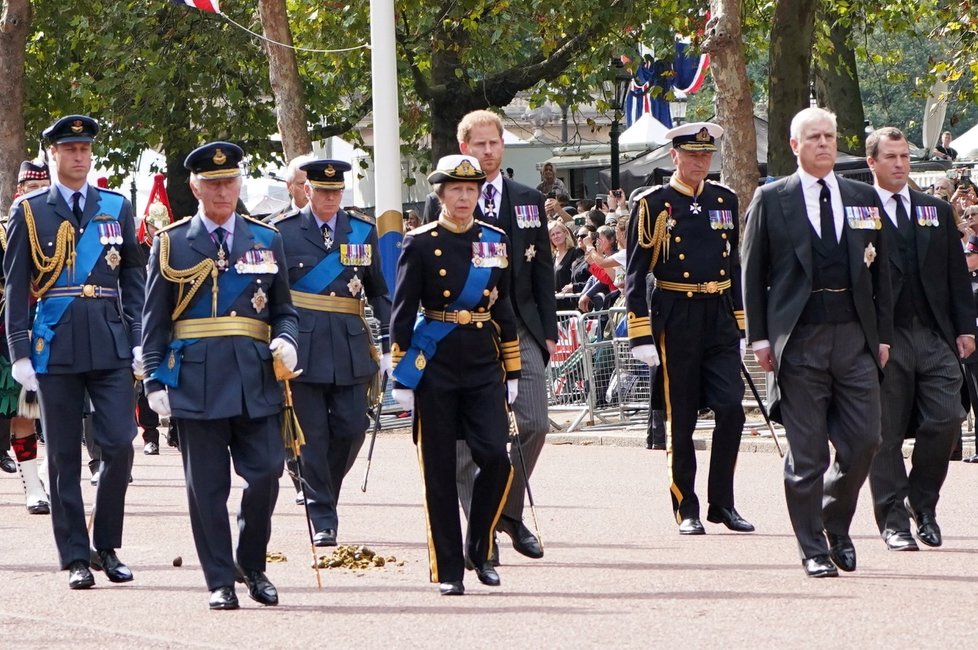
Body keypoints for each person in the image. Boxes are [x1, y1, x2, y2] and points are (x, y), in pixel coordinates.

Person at [141, 141, 299, 610]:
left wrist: (288, 338)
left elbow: (284, 309)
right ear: (195, 187)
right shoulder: (171, 242)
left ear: (240, 184)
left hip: (254, 379)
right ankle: (219, 580)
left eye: (229, 181)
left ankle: (251, 563)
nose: (222, 191)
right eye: (212, 183)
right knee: (206, 488)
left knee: (268, 472)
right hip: (196, 380)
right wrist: (152, 379)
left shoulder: (266, 239)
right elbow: (155, 318)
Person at [742, 107, 893, 578]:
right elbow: (752, 274)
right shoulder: (771, 199)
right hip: (799, 339)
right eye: (814, 138)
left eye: (829, 135)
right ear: (794, 145)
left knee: (866, 440)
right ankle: (811, 547)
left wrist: (883, 336)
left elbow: (883, 274)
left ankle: (835, 523)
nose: (824, 144)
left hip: (854, 336)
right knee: (807, 455)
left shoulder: (863, 196)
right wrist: (760, 338)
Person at [3, 115, 145, 589]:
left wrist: (139, 336)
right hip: (55, 343)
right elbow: (17, 284)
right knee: (63, 455)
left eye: (85, 149)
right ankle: (75, 557)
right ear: (53, 154)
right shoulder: (29, 211)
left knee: (120, 445)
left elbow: (132, 277)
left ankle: (106, 544)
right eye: (69, 149)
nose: (79, 157)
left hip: (108, 342)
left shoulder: (115, 206)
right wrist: (19, 351)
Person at [423, 110, 556, 563]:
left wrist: (550, 332)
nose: (487, 151)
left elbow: (543, 271)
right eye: (478, 144)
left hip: (521, 327)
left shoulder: (527, 198)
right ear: (465, 148)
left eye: (494, 143)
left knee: (535, 422)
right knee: (463, 444)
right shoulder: (446, 197)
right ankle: (480, 534)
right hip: (463, 332)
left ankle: (506, 512)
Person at [390, 154, 519, 596]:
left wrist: (513, 366)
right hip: (437, 366)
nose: (464, 197)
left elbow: (504, 307)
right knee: (439, 473)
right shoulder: (420, 242)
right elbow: (402, 311)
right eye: (455, 190)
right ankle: (448, 569)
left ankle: (478, 544)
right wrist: (400, 375)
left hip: (483, 362)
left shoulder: (495, 240)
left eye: (471, 190)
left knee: (498, 460)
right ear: (441, 194)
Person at [625, 122, 753, 536]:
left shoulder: (724, 199)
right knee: (681, 419)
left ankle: (723, 502)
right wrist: (641, 333)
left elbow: (732, 264)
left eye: (706, 154)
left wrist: (741, 320)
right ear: (674, 156)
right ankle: (687, 505)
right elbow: (634, 274)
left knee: (731, 408)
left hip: (717, 313)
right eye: (692, 154)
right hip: (675, 314)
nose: (700, 161)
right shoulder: (653, 205)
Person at [865, 127, 976, 551]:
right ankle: (893, 520)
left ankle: (922, 503)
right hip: (883, 337)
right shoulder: (857, 210)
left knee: (947, 418)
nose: (899, 164)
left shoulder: (933, 209)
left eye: (904, 157)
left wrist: (966, 328)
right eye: (890, 157)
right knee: (886, 434)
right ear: (872, 162)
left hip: (933, 334)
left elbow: (955, 275)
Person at [272, 158, 391, 548]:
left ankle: (323, 493)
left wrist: (392, 338)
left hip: (350, 346)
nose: (329, 197)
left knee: (351, 429)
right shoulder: (283, 232)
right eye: (322, 191)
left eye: (336, 191)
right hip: (303, 348)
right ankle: (323, 515)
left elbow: (378, 290)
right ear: (307, 191)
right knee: (312, 438)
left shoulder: (361, 230)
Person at [0, 159, 52, 513]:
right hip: (12, 329)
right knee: (20, 409)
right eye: (31, 189)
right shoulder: (4, 230)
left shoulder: (66, 227)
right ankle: (33, 484)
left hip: (53, 326)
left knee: (41, 412)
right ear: (20, 191)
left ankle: (43, 481)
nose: (36, 195)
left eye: (42, 188)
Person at [135, 173, 173, 455]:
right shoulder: (136, 251)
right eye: (153, 225)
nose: (156, 229)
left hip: (172, 318)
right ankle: (150, 435)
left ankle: (176, 429)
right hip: (144, 318)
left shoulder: (175, 247)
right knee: (144, 380)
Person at [550, 220, 582, 310]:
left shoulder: (575, 252)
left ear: (565, 233)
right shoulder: (552, 258)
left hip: (571, 305)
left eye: (558, 233)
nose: (556, 236)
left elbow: (578, 275)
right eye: (553, 234)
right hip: (557, 306)